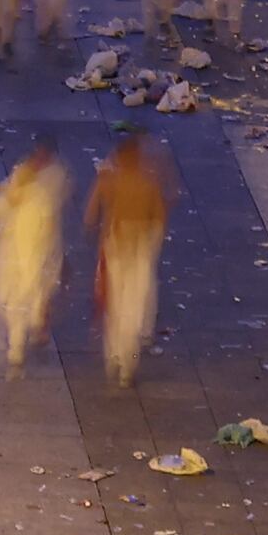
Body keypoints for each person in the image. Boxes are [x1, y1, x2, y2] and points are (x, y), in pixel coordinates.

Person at [91, 129, 173, 387]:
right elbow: (160, 219)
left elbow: (90, 214)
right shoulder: (148, 183)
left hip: (117, 248)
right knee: (133, 313)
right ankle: (129, 363)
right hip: (138, 250)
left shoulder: (109, 180)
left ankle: (116, 356)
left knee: (116, 310)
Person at [0, 141, 67, 374]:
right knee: (17, 301)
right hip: (21, 258)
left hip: (24, 257)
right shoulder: (36, 193)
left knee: (16, 301)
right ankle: (20, 340)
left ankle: (17, 345)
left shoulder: (40, 192)